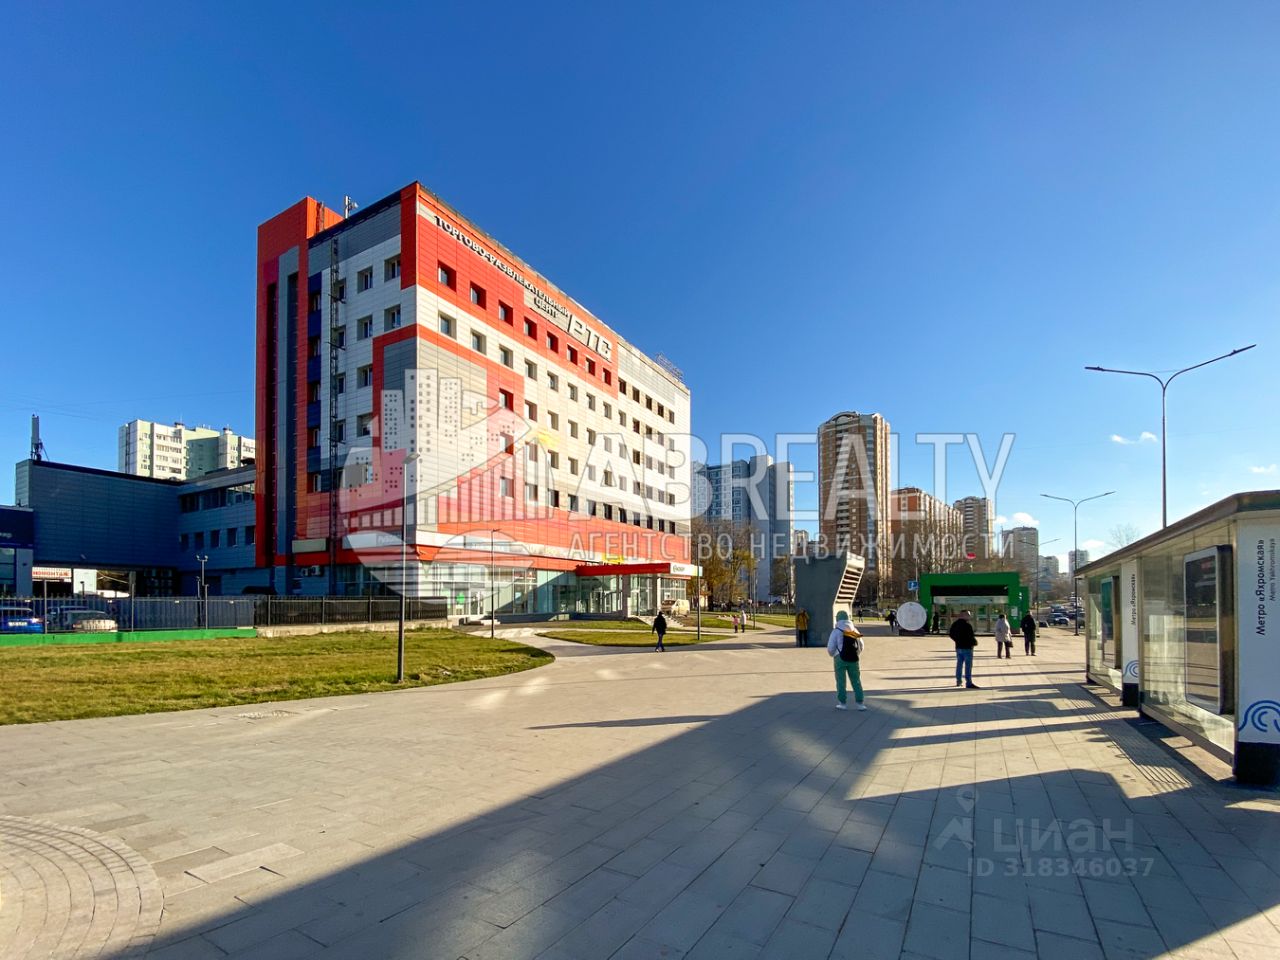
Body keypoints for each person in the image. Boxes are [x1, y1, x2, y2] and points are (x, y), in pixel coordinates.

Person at [827, 611, 866, 710]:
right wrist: (856, 653)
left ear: (837, 618)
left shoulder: (836, 631)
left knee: (841, 681)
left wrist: (833, 654)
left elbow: (831, 647)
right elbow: (861, 645)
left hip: (839, 658)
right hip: (853, 658)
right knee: (856, 680)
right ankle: (860, 703)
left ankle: (842, 703)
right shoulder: (854, 630)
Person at [949, 609, 979, 688]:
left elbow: (951, 634)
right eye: (968, 615)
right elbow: (971, 637)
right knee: (968, 665)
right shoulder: (967, 625)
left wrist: (957, 640)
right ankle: (968, 682)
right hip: (967, 648)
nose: (969, 616)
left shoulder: (955, 624)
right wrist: (974, 643)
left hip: (958, 647)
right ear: (963, 615)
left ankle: (958, 681)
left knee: (959, 664)